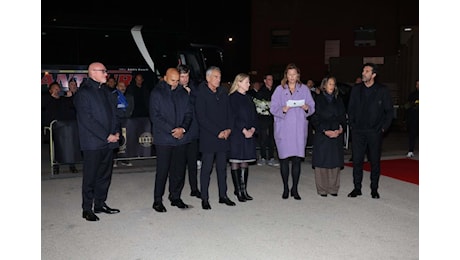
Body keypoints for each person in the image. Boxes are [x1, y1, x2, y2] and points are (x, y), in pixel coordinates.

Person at [73, 62, 121, 221]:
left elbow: (114, 113)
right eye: (103, 71)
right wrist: (107, 135)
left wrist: (115, 132)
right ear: (93, 72)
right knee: (91, 176)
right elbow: (87, 120)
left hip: (109, 141)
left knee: (105, 175)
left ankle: (100, 204)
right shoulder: (83, 93)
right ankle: (87, 208)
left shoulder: (106, 91)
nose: (106, 74)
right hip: (93, 143)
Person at [347, 63, 393, 199]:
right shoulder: (356, 89)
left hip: (374, 132)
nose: (363, 73)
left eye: (366, 71)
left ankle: (374, 189)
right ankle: (357, 188)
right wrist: (353, 125)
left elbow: (389, 111)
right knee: (357, 161)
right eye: (363, 70)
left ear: (373, 75)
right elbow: (351, 109)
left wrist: (383, 127)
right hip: (358, 132)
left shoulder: (382, 90)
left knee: (374, 161)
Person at [149, 68, 193, 212]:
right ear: (165, 78)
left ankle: (175, 197)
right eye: (172, 80)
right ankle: (157, 200)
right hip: (164, 139)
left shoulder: (183, 93)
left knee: (179, 170)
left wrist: (183, 129)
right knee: (162, 171)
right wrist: (172, 130)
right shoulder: (157, 93)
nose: (175, 83)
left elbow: (188, 113)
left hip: (181, 138)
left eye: (177, 80)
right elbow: (155, 116)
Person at [269, 63, 315, 200]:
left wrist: (307, 108)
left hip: (298, 131)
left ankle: (295, 188)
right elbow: (272, 108)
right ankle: (285, 188)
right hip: (283, 130)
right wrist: (282, 109)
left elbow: (312, 107)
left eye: (294, 74)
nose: (292, 77)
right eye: (289, 74)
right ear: (286, 75)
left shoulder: (305, 89)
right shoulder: (279, 90)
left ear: (298, 75)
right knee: (284, 160)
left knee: (296, 160)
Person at [195, 66, 236, 210]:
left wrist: (229, 129)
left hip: (224, 136)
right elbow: (202, 117)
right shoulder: (201, 94)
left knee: (222, 169)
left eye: (219, 77)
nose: (218, 80)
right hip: (209, 137)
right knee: (206, 169)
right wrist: (217, 131)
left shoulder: (223, 93)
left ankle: (223, 196)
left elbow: (230, 113)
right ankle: (205, 198)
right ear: (208, 78)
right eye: (215, 77)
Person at [310, 76, 347, 197]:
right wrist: (325, 130)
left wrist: (341, 128)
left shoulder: (339, 100)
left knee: (335, 162)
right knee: (322, 162)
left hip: (336, 133)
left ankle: (333, 188)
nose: (332, 86)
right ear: (324, 86)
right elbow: (314, 118)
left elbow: (343, 116)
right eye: (330, 84)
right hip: (323, 134)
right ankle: (322, 189)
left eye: (333, 84)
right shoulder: (318, 99)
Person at [228, 73, 258, 202]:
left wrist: (252, 128)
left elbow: (254, 116)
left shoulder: (249, 99)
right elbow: (232, 117)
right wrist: (243, 129)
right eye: (246, 82)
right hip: (236, 134)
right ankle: (238, 190)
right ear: (239, 83)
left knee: (245, 160)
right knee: (236, 161)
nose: (249, 84)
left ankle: (244, 189)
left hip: (248, 134)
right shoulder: (232, 98)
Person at [42, 81, 78, 174]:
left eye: (58, 88)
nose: (57, 90)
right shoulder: (47, 99)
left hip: (66, 127)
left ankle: (71, 164)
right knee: (55, 146)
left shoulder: (63, 99)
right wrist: (52, 97)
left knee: (70, 145)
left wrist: (70, 97)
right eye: (55, 88)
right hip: (53, 128)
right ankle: (56, 164)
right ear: (50, 90)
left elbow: (72, 106)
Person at [177, 64, 201, 198]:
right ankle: (176, 191)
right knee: (179, 165)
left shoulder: (194, 88)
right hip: (180, 130)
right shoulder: (174, 88)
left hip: (193, 131)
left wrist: (190, 93)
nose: (185, 79)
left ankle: (194, 188)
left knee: (193, 162)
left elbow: (198, 103)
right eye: (182, 76)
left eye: (187, 76)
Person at [252, 73, 279, 166]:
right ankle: (263, 157)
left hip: (273, 118)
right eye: (269, 79)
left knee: (272, 138)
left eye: (271, 79)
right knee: (263, 138)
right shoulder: (261, 91)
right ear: (265, 81)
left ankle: (271, 157)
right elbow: (259, 105)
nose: (270, 81)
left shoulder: (275, 91)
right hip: (263, 118)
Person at [111, 81, 135, 167]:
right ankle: (114, 160)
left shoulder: (129, 96)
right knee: (116, 141)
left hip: (127, 121)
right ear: (117, 87)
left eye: (124, 86)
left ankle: (124, 159)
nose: (123, 88)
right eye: (121, 86)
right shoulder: (113, 96)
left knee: (126, 141)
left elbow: (131, 108)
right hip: (116, 121)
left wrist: (127, 115)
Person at [405, 80, 419, 158]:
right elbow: (407, 105)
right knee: (412, 134)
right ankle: (411, 150)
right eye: (417, 84)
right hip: (414, 117)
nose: (418, 86)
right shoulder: (412, 95)